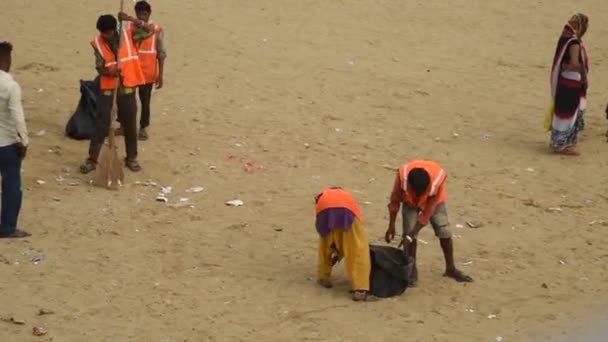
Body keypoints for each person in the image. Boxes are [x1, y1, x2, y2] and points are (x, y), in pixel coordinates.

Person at [79, 14, 155, 174]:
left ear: (114, 30)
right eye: (102, 33)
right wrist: (109, 73)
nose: (104, 37)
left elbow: (150, 30)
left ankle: (131, 158)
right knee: (101, 124)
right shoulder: (98, 44)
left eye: (107, 33)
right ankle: (92, 159)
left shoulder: (128, 35)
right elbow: (99, 68)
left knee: (129, 124)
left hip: (127, 88)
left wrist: (130, 18)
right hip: (108, 88)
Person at [385, 160, 473, 286]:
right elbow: (395, 200)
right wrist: (391, 225)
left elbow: (427, 213)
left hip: (434, 202)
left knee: (444, 231)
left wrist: (411, 235)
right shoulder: (402, 178)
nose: (418, 195)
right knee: (409, 234)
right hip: (409, 202)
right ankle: (412, 270)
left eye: (421, 193)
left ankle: (450, 268)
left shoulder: (436, 184)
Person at [315, 187, 374, 301]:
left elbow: (332, 234)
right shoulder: (346, 195)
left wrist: (335, 249)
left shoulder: (322, 195)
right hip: (346, 212)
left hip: (323, 211)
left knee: (325, 245)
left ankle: (323, 276)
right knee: (357, 249)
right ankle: (360, 290)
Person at [0, 40, 30, 238]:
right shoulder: (11, 85)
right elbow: (17, 116)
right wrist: (24, 141)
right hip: (7, 143)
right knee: (11, 184)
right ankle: (8, 227)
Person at [123, 0, 166, 141]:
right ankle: (124, 125)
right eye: (139, 13)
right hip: (130, 71)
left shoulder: (155, 29)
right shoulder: (128, 27)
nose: (141, 16)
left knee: (145, 101)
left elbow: (161, 53)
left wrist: (160, 75)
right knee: (126, 100)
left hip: (147, 73)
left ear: (149, 14)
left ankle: (143, 127)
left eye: (144, 13)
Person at [548, 13, 589, 156]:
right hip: (571, 82)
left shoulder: (564, 38)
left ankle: (557, 143)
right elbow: (574, 63)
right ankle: (563, 145)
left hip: (563, 81)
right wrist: (579, 69)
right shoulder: (574, 43)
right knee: (569, 113)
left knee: (562, 112)